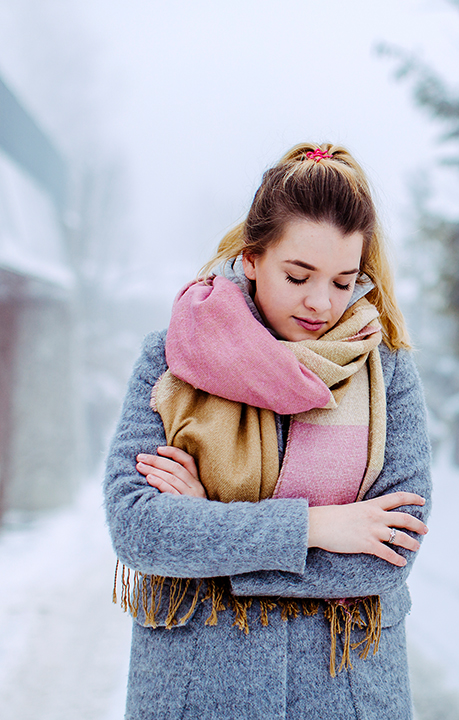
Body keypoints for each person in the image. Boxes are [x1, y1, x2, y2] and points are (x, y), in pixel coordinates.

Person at [103, 142, 431, 720]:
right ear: (252, 257)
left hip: (345, 692)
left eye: (342, 281)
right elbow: (137, 528)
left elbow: (388, 553)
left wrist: (208, 526)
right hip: (196, 687)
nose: (319, 302)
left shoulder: (387, 371)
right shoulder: (174, 358)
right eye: (298, 275)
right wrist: (318, 526)